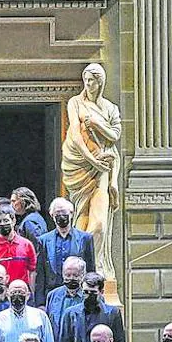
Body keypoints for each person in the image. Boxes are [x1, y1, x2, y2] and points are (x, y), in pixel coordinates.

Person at [62, 63, 122, 278]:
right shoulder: (75, 103)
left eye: (93, 81)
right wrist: (91, 160)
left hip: (103, 169)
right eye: (86, 80)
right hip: (80, 165)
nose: (89, 85)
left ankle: (95, 269)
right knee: (80, 223)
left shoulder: (110, 109)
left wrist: (96, 123)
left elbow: (114, 136)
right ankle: (81, 273)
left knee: (98, 225)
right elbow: (76, 135)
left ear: (101, 83)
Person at [57, 272, 127, 342]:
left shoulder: (112, 313)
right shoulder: (70, 314)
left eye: (93, 292)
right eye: (85, 292)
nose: (88, 296)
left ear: (101, 292)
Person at [33, 197, 95, 306]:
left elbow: (91, 270)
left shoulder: (85, 238)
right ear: (52, 216)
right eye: (57, 213)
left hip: (79, 295)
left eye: (64, 212)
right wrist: (40, 303)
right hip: (52, 295)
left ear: (71, 214)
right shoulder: (43, 240)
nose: (61, 216)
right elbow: (40, 274)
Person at [0, 201, 38, 288]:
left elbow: (32, 272)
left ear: (13, 221)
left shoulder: (27, 245)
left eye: (6, 220)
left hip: (21, 295)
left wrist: (31, 297)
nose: (2, 224)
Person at [43, 256, 86, 339]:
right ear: (63, 274)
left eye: (75, 275)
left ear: (83, 275)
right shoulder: (52, 295)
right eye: (68, 275)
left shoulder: (87, 296)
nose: (71, 278)